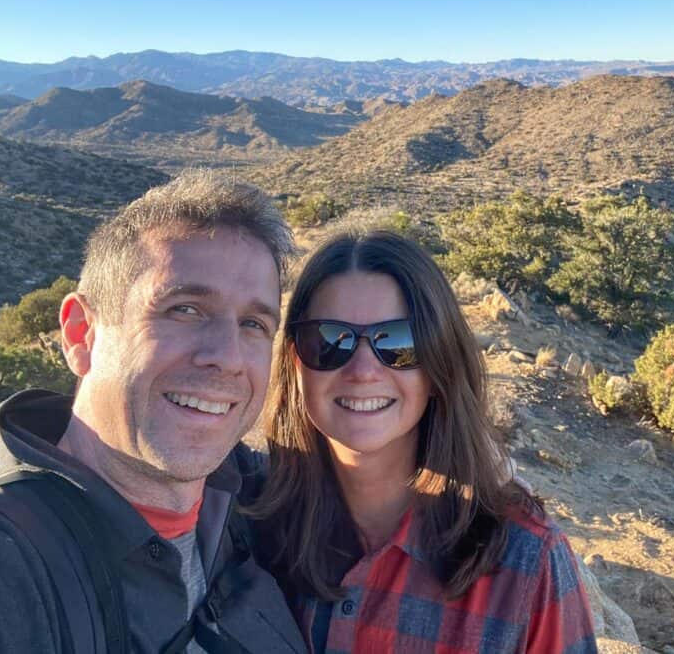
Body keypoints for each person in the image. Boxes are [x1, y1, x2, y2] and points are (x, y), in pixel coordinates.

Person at [0, 170, 306, 653]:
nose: (228, 356)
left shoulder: (251, 503)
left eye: (254, 323)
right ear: (81, 334)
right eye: (184, 309)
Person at [250, 229, 598, 653]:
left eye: (398, 342)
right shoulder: (248, 521)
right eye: (329, 340)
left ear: (439, 364)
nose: (362, 370)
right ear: (294, 361)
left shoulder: (526, 562)